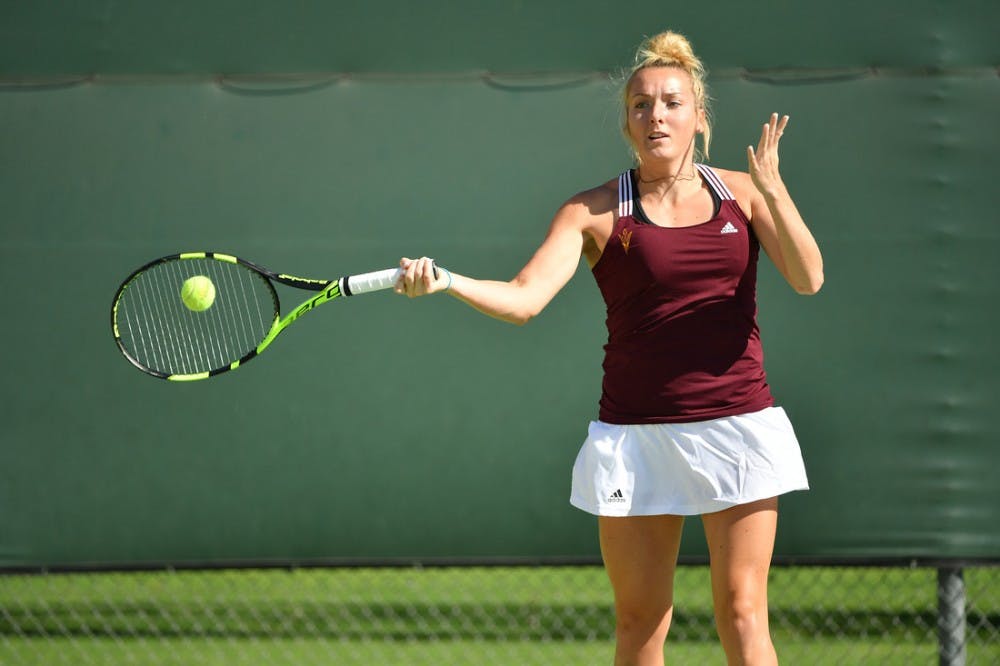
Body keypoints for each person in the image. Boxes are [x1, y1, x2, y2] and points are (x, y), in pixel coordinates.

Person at [395, 29, 823, 666]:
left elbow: (808, 278)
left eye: (672, 103)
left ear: (699, 117)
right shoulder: (591, 211)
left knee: (742, 611)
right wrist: (447, 281)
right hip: (635, 437)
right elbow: (524, 298)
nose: (657, 116)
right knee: (639, 622)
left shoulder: (746, 190)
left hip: (737, 425)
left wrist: (775, 188)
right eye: (642, 105)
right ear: (626, 123)